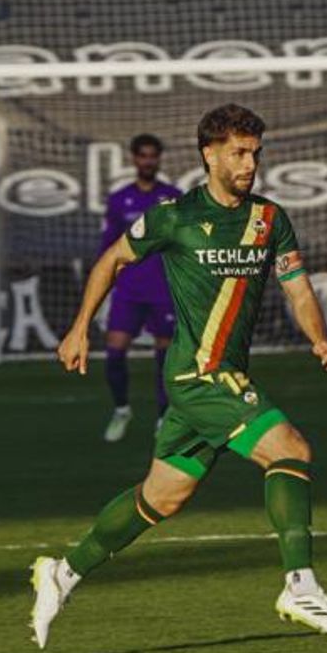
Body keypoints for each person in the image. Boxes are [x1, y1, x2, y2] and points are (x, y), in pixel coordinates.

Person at [30, 103, 327, 647]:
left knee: (162, 497)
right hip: (199, 377)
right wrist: (80, 327)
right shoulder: (173, 218)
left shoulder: (270, 220)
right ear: (210, 154)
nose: (250, 164)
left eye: (255, 153)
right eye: (238, 153)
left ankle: (64, 570)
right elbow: (111, 260)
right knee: (290, 449)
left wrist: (317, 336)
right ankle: (300, 584)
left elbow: (298, 288)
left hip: (216, 378)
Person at [98, 134, 181, 442]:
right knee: (114, 351)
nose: (148, 161)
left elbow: (185, 243)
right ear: (134, 159)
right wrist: (104, 286)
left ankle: (163, 417)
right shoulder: (119, 200)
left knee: (165, 356)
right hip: (129, 289)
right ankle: (121, 409)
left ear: (159, 159)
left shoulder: (173, 197)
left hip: (164, 289)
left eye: (153, 156)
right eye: (143, 156)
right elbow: (108, 249)